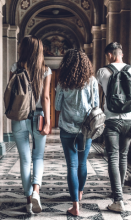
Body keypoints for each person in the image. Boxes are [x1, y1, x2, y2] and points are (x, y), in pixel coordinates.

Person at [9, 36, 52, 214]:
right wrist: (49, 122)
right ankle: (36, 191)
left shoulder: (15, 68)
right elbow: (46, 98)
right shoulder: (46, 70)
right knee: (38, 157)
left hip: (19, 116)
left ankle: (28, 200)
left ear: (24, 49)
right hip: (39, 115)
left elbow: (11, 91)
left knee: (25, 159)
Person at [55, 49, 99, 216]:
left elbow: (57, 106)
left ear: (66, 64)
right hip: (86, 128)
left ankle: (75, 206)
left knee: (71, 165)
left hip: (67, 128)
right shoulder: (92, 81)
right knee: (82, 163)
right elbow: (95, 105)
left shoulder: (62, 82)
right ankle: (79, 192)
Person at [96, 42, 131, 213]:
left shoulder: (102, 72)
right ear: (121, 54)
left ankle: (118, 198)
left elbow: (98, 94)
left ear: (109, 55)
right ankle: (118, 193)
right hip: (129, 119)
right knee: (123, 157)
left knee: (113, 157)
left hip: (111, 120)